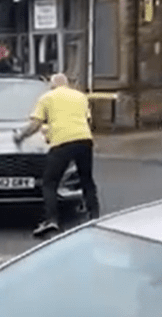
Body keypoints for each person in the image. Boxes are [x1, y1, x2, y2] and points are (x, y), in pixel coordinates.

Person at [13, 73, 100, 237]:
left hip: (62, 143)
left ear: (52, 86)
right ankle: (94, 215)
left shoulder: (47, 98)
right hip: (84, 140)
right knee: (86, 179)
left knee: (50, 182)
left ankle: (51, 219)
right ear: (66, 84)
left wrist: (20, 136)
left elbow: (35, 124)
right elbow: (87, 120)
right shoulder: (80, 96)